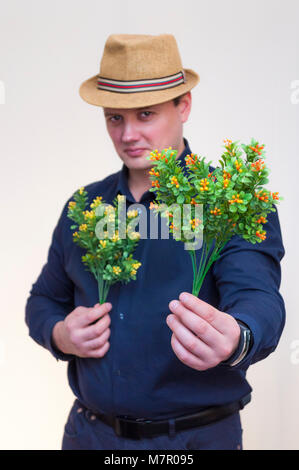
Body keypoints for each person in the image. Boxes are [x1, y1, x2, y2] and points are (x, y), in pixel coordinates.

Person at [25, 33, 286, 451]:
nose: (128, 134)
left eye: (145, 114)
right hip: (89, 435)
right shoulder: (85, 206)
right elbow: (43, 300)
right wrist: (59, 334)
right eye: (114, 118)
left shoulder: (232, 202)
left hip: (194, 441)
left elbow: (259, 298)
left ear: (183, 105)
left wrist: (238, 336)